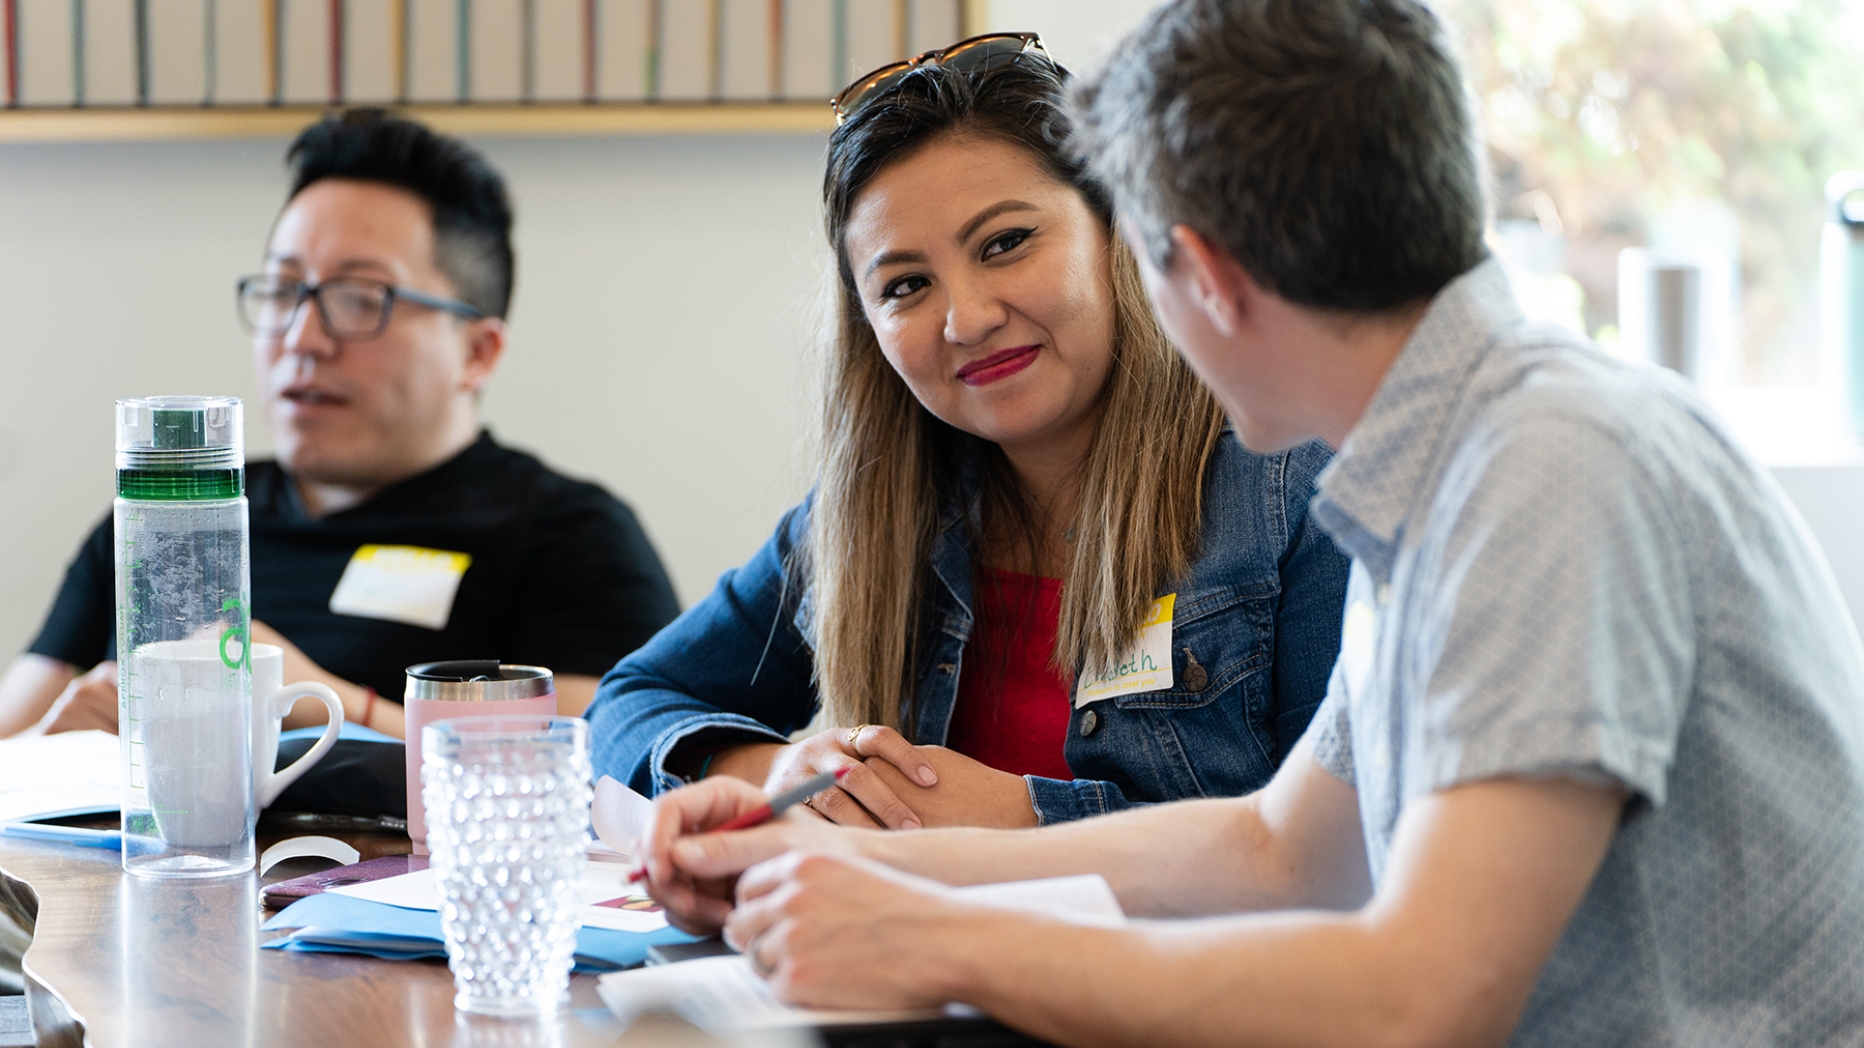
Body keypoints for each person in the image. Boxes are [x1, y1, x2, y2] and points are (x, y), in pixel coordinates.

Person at [634, 2, 1864, 1045]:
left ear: (1198, 273)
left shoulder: (1546, 465)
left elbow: (1413, 997)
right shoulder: (1451, 453)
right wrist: (824, 866)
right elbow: (1284, 851)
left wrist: (940, 939)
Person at [585, 36, 1348, 830]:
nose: (967, 319)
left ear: (1116, 230)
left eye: (1006, 243)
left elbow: (1342, 850)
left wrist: (1021, 820)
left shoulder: (1293, 484)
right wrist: (780, 770)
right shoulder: (873, 512)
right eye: (906, 285)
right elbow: (629, 704)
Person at [0, 108, 680, 741]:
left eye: (359, 300)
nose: (303, 337)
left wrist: (325, 707)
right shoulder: (170, 518)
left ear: (477, 351)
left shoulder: (569, 537)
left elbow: (609, 764)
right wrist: (58, 752)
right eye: (282, 290)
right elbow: (18, 738)